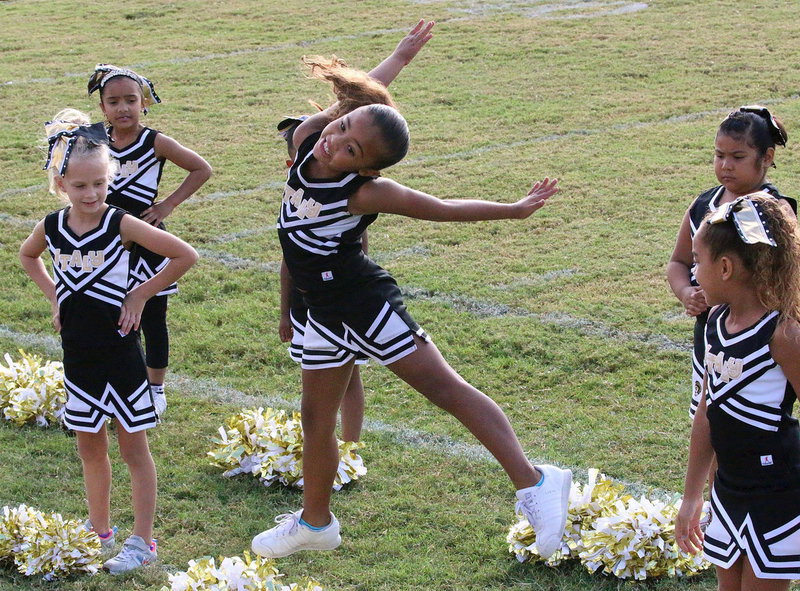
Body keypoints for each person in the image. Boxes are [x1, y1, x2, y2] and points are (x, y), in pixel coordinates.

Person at [251, 59, 570, 561]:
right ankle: (315, 523)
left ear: (367, 168)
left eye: (351, 149)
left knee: (446, 390)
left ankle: (535, 482)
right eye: (341, 128)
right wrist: (399, 56)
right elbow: (359, 99)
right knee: (316, 419)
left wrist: (512, 209)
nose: (336, 141)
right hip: (321, 313)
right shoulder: (309, 138)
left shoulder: (365, 192)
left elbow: (442, 208)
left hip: (363, 304)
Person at [19, 110, 198, 574]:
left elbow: (184, 255)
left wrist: (139, 294)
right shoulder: (52, 227)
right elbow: (28, 255)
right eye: (80, 185)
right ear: (61, 184)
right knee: (89, 450)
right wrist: (56, 296)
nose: (91, 193)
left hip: (120, 355)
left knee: (133, 449)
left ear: (109, 178)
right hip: (78, 357)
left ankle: (143, 540)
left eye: (99, 183)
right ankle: (98, 530)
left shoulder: (120, 222)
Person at [277, 20, 435, 443]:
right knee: (321, 403)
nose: (327, 144)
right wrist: (285, 310)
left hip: (346, 288)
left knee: (354, 377)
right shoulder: (310, 150)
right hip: (312, 290)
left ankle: (350, 445)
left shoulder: (349, 184)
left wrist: (399, 59)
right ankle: (341, 450)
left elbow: (354, 106)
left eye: (349, 146)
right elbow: (350, 109)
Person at [676, 194, 800, 590]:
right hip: (729, 488)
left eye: (698, 262)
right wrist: (692, 496)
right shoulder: (714, 323)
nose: (694, 273)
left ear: (726, 267)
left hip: (778, 493)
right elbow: (707, 412)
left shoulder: (783, 333)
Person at [87, 64, 212, 417]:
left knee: (153, 319)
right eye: (114, 102)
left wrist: (167, 205)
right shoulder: (92, 138)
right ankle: (121, 384)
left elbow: (201, 168)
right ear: (103, 107)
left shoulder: (155, 141)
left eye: (131, 100)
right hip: (106, 243)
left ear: (144, 103)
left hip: (148, 242)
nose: (123, 108)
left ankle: (155, 389)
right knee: (112, 318)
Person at [667, 105, 795, 419]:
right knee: (708, 418)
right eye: (719, 155)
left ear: (766, 157)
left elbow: (788, 275)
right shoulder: (702, 205)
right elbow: (678, 262)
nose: (725, 165)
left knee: (751, 420)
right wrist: (686, 293)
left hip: (758, 340)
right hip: (710, 334)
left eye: (738, 157)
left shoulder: (774, 212)